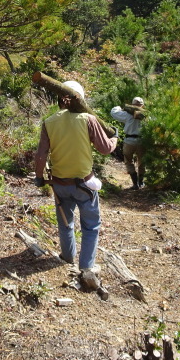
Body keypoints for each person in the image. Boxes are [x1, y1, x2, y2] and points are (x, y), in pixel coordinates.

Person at [34, 80, 117, 287]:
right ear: (80, 99)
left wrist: (38, 177)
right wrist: (114, 137)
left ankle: (68, 256)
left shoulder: (49, 122)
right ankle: (86, 266)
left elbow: (41, 156)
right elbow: (105, 148)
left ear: (59, 99)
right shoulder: (88, 119)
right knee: (90, 226)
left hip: (60, 183)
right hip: (85, 184)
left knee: (65, 222)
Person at [110, 97, 147, 189]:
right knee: (142, 162)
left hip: (129, 141)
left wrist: (120, 107)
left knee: (128, 162)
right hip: (142, 141)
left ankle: (135, 184)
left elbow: (113, 112)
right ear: (142, 105)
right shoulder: (146, 115)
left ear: (132, 105)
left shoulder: (127, 114)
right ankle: (141, 183)